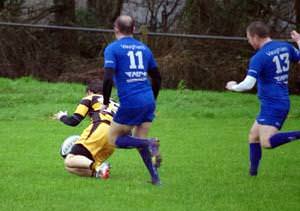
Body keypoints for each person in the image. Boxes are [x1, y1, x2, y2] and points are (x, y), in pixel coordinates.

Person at [226, 21, 300, 176]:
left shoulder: (259, 57)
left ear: (255, 36)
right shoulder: (284, 46)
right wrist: (299, 42)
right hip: (276, 102)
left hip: (274, 104)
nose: (248, 41)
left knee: (266, 142)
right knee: (253, 136)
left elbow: (248, 84)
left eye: (248, 38)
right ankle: (252, 174)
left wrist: (233, 86)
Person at [102, 15, 162, 185]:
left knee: (113, 139)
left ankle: (150, 143)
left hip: (131, 101)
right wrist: (153, 100)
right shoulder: (144, 48)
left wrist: (106, 102)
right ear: (134, 29)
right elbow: (157, 78)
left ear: (115, 28)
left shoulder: (112, 49)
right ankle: (155, 178)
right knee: (138, 139)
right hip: (147, 99)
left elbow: (107, 78)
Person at [53, 80, 119, 179]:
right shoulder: (115, 103)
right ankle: (99, 173)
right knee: (70, 167)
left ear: (89, 91)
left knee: (69, 160)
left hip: (100, 130)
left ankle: (98, 167)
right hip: (115, 138)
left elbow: (74, 121)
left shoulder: (90, 98)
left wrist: (62, 116)